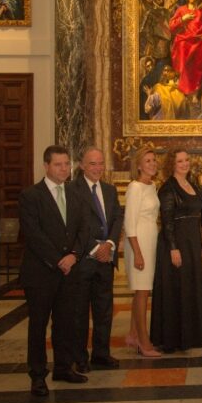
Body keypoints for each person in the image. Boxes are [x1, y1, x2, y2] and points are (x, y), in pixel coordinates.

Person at [18, 145, 89, 396]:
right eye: (58, 164)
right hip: (41, 273)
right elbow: (33, 234)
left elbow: (83, 229)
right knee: (38, 326)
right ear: (46, 166)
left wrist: (73, 256)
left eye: (67, 164)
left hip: (70, 270)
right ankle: (37, 375)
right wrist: (58, 259)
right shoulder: (31, 196)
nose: (64, 169)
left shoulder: (75, 193)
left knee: (66, 322)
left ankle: (63, 367)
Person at [71, 147, 124, 372]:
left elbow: (117, 218)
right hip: (84, 259)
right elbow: (73, 225)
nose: (98, 168)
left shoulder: (110, 190)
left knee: (104, 310)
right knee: (80, 312)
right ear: (82, 165)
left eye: (101, 163)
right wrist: (96, 247)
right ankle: (80, 357)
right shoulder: (72, 190)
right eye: (93, 164)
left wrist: (110, 244)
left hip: (105, 259)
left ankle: (101, 354)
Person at [151, 149, 202, 352]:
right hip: (176, 244)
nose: (184, 164)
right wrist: (173, 248)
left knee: (191, 287)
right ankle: (174, 338)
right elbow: (167, 222)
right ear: (171, 165)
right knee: (177, 289)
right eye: (179, 161)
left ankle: (191, 335)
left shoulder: (192, 185)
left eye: (186, 160)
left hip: (191, 242)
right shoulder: (167, 189)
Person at [123, 147, 161, 357]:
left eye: (154, 160)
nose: (152, 163)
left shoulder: (152, 186)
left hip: (150, 240)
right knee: (142, 292)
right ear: (138, 165)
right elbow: (129, 223)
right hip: (138, 244)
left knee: (141, 290)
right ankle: (144, 343)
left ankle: (132, 334)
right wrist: (137, 253)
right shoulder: (135, 187)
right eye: (147, 161)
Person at [169, 0, 202, 100]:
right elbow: (171, 26)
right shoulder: (181, 10)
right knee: (182, 60)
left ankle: (195, 93)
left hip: (198, 42)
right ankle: (183, 91)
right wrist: (182, 19)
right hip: (184, 41)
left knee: (197, 64)